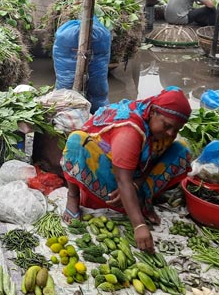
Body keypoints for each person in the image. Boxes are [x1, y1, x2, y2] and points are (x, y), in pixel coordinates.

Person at [62, 87, 192, 253]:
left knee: (181, 150)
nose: (171, 133)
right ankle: (73, 197)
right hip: (107, 170)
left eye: (176, 129)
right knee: (76, 141)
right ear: (152, 112)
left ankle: (138, 198)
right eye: (167, 126)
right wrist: (139, 225)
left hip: (133, 171)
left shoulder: (162, 130)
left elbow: (154, 157)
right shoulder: (130, 130)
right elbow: (122, 181)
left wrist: (137, 184)